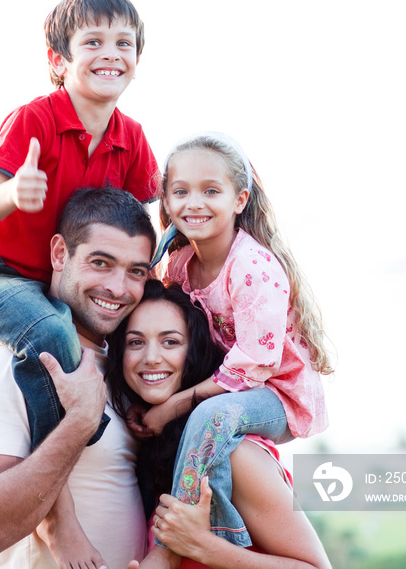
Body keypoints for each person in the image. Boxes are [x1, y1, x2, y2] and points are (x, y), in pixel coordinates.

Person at [0, 0, 160, 452]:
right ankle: (70, 449)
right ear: (59, 59)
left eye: (124, 43)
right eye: (93, 42)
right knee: (49, 331)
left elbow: (150, 223)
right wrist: (12, 192)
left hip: (62, 286)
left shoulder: (132, 137)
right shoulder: (35, 120)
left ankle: (155, 429)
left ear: (137, 61)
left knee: (165, 314)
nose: (111, 53)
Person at [135, 132, 333, 557]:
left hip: (276, 395)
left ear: (239, 199)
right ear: (166, 202)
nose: (194, 203)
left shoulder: (252, 268)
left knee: (212, 415)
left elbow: (254, 367)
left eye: (211, 191)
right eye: (180, 191)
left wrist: (175, 403)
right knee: (211, 416)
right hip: (229, 391)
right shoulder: (182, 263)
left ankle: (205, 534)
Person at [0, 186, 157, 569]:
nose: (117, 287)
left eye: (135, 271)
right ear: (60, 253)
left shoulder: (125, 365)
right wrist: (79, 423)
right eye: (101, 263)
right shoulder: (4, 363)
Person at [107, 280, 332, 569]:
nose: (151, 358)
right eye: (136, 342)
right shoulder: (149, 446)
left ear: (195, 351)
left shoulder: (233, 454)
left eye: (171, 342)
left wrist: (204, 548)